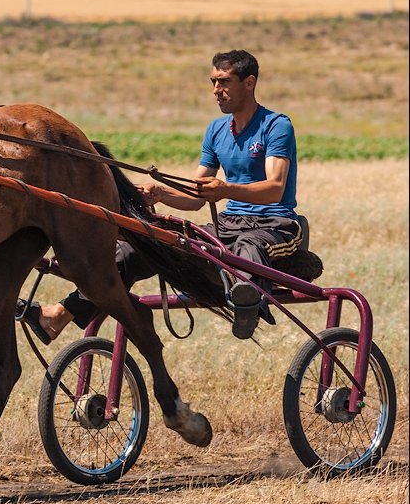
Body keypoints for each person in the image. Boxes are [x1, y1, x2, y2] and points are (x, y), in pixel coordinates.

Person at [22, 50, 302, 341]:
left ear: (249, 82)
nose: (216, 90)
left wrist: (226, 189)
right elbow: (196, 197)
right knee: (144, 244)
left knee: (248, 247)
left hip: (274, 226)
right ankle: (57, 316)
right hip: (227, 226)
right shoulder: (217, 130)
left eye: (224, 82)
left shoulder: (276, 126)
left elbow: (275, 188)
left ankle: (250, 305)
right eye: (213, 82)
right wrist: (161, 194)